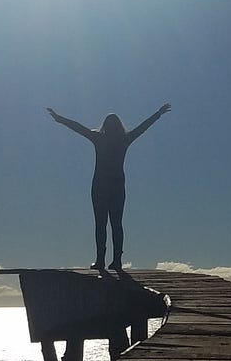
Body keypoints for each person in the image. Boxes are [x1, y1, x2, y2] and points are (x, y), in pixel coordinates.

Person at [47, 103, 171, 272]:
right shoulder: (123, 139)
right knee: (115, 224)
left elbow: (78, 127)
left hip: (101, 185)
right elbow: (142, 128)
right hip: (115, 185)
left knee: (102, 224)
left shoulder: (100, 138)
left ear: (105, 126)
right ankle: (115, 261)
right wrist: (158, 114)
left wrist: (59, 119)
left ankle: (102, 260)